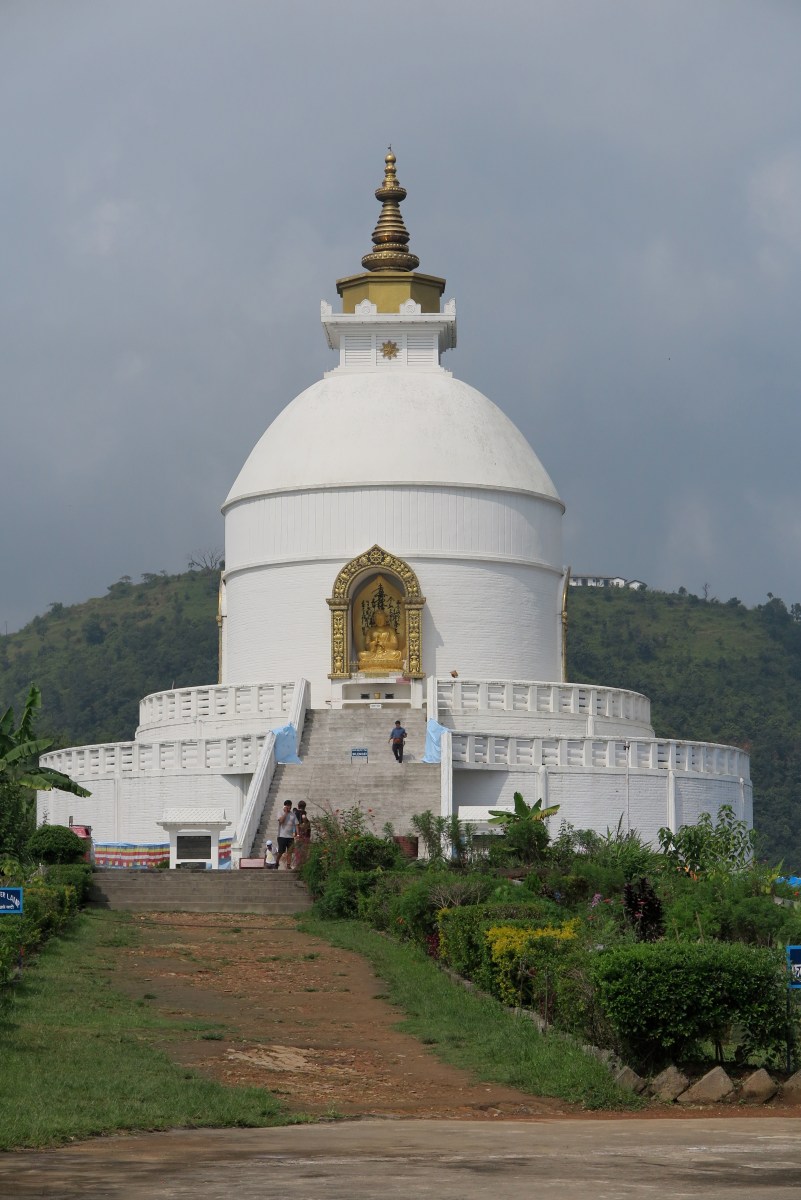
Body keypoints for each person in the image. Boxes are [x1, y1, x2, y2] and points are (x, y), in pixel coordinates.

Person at [277, 800, 298, 869]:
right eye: (288, 805)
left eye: (290, 805)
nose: (289, 807)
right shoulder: (280, 812)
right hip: (282, 835)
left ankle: (288, 865)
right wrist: (285, 813)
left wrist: (297, 834)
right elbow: (281, 821)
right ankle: (277, 862)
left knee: (290, 851)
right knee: (281, 851)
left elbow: (296, 824)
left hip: (290, 836)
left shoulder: (293, 814)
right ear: (285, 806)